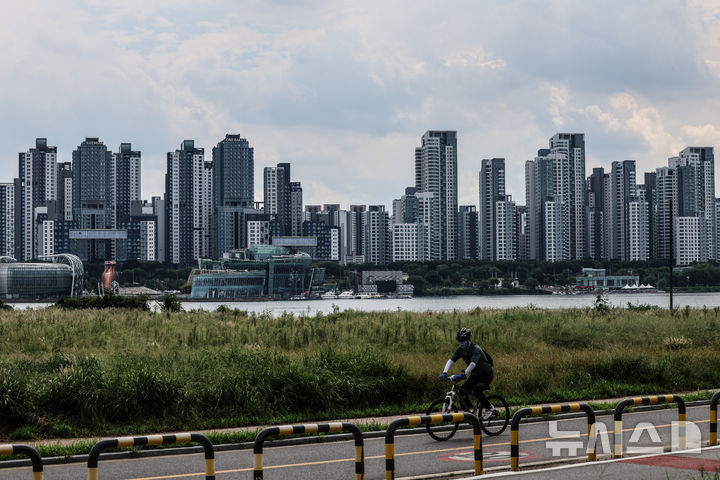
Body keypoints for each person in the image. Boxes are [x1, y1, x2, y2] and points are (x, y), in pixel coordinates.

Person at [439, 327, 497, 420]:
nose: (461, 342)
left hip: (486, 374)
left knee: (477, 391)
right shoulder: (460, 349)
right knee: (462, 392)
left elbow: (472, 364)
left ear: (468, 339)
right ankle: (470, 412)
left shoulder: (476, 349)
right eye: (459, 340)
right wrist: (444, 372)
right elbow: (451, 360)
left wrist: (464, 374)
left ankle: (490, 408)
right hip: (475, 375)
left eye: (463, 340)